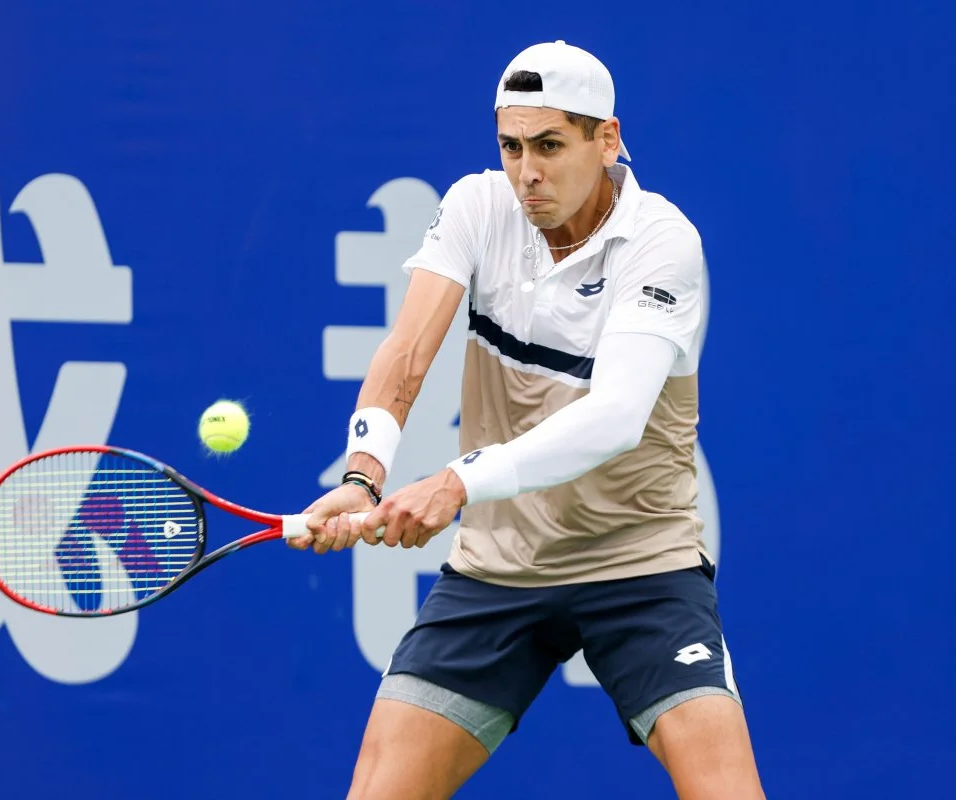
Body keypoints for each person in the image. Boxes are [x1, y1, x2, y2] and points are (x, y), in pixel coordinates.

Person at [290, 39, 766, 800]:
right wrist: (362, 475)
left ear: (607, 140)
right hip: (497, 570)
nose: (527, 172)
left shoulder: (662, 243)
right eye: (511, 146)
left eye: (550, 145)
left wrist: (456, 481)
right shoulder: (479, 206)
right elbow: (408, 352)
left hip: (640, 564)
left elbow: (614, 417)